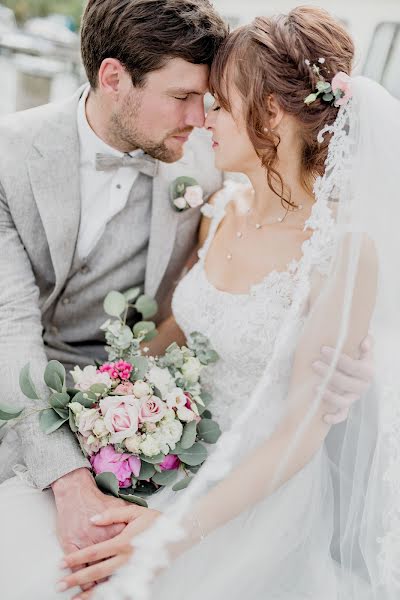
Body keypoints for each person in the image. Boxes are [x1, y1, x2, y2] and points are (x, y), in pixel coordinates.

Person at [53, 7, 398, 600]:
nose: (202, 119)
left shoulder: (342, 251)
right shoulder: (222, 208)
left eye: (218, 103)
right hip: (165, 456)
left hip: (249, 498)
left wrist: (171, 534)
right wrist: (102, 400)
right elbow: (179, 331)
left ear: (269, 112)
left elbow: (303, 430)